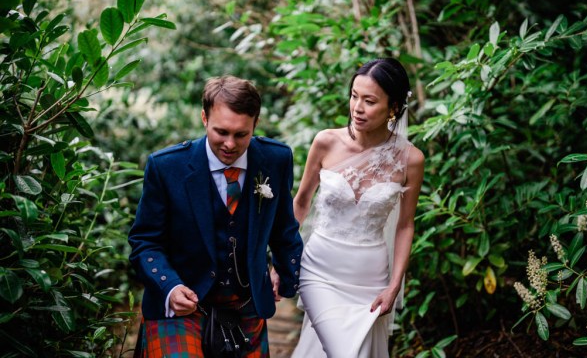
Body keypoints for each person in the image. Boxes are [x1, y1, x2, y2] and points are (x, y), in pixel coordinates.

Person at [128, 75, 303, 357]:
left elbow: (284, 229)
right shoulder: (166, 167)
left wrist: (284, 273)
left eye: (241, 134)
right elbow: (145, 242)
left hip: (244, 305)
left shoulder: (275, 160)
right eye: (221, 132)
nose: (230, 144)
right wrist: (170, 288)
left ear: (255, 124)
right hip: (182, 304)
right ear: (204, 119)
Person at [289, 58, 425, 358]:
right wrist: (281, 263)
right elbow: (301, 202)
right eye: (354, 96)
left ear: (393, 107)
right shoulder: (326, 142)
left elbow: (405, 225)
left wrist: (394, 285)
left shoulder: (411, 159)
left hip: (369, 277)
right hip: (318, 270)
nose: (357, 108)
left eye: (369, 101)